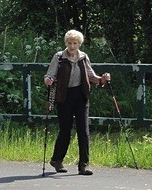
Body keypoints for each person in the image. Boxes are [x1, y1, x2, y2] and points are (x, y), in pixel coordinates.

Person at [43, 30, 110, 175]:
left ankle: (84, 165)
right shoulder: (59, 57)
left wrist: (102, 79)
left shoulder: (83, 57)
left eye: (75, 43)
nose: (72, 46)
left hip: (81, 95)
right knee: (65, 130)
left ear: (79, 44)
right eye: (69, 43)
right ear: (65, 43)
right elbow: (50, 75)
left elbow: (91, 75)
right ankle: (57, 160)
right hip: (63, 96)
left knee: (83, 130)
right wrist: (48, 80)